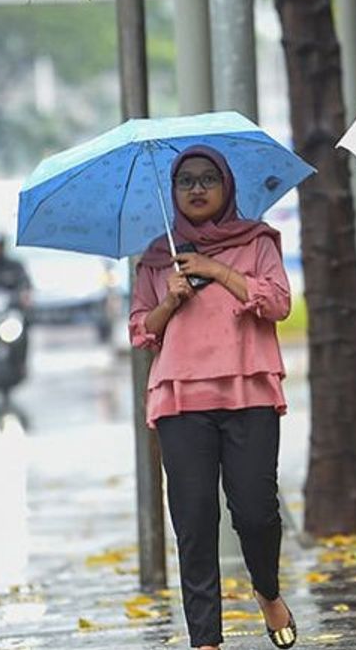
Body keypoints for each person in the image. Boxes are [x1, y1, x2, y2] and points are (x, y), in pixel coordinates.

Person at [129, 145, 296, 650]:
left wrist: (216, 269)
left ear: (226, 186)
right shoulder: (159, 256)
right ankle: (206, 639)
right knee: (195, 520)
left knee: (255, 512)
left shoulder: (258, 241)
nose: (197, 189)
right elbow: (140, 330)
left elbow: (279, 302)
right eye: (186, 182)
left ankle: (267, 591)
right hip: (182, 398)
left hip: (248, 391)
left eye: (207, 179)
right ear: (174, 193)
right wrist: (171, 300)